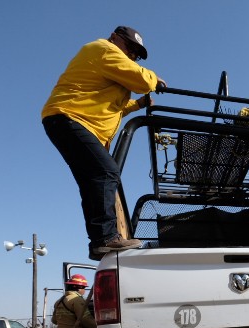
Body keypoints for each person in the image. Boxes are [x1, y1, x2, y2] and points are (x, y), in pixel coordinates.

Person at [42, 26, 166, 261]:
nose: (131, 56)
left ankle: (100, 242)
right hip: (69, 118)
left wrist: (137, 105)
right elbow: (140, 78)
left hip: (69, 120)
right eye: (130, 48)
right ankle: (106, 237)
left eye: (136, 54)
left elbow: (113, 107)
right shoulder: (103, 49)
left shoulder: (107, 62)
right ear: (115, 38)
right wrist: (154, 79)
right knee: (107, 172)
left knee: (93, 181)